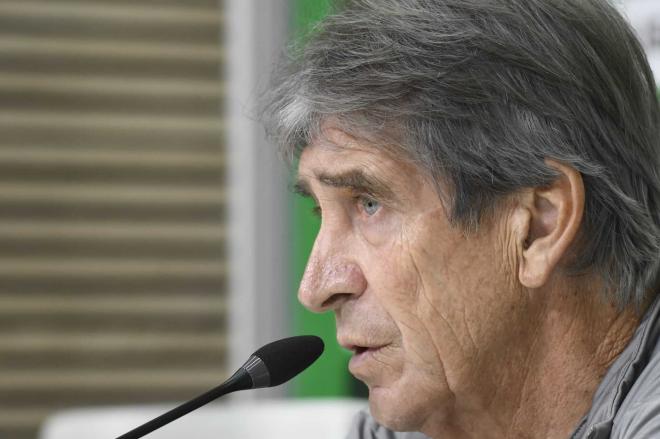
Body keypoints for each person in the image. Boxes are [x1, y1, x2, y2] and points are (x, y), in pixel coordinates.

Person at [260, 0, 660, 437]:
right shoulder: (433, 414)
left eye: (369, 203)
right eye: (321, 210)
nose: (315, 288)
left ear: (537, 225)